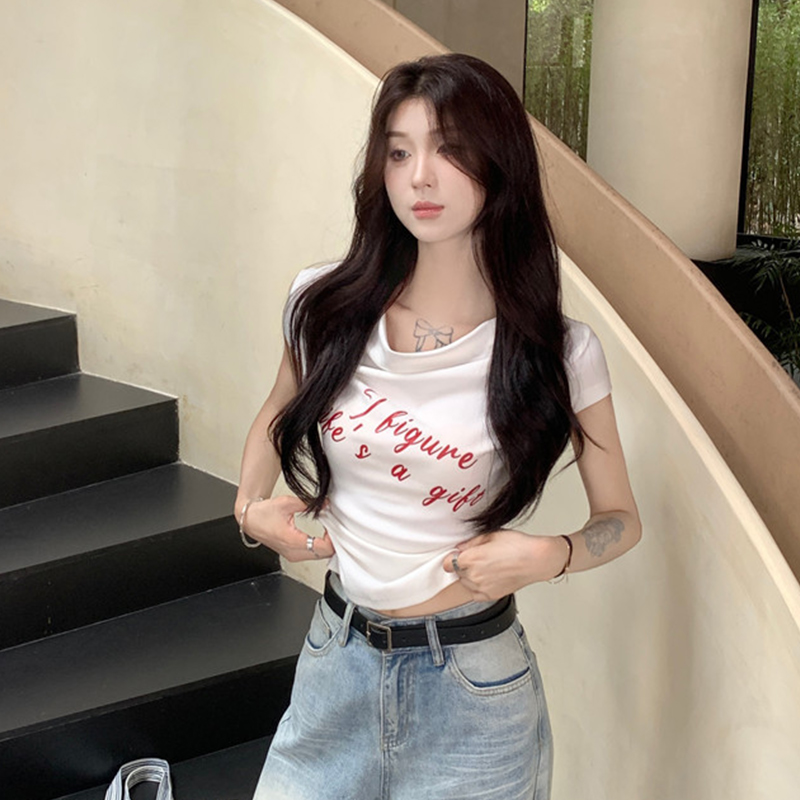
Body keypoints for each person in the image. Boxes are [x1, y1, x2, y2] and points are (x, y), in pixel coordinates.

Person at [237, 53, 641, 800]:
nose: (420, 176)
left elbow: (621, 520)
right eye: (399, 152)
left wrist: (549, 554)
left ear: (499, 163)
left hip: (473, 692)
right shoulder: (322, 307)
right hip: (336, 661)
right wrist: (249, 507)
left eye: (449, 149)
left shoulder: (559, 351)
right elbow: (273, 413)